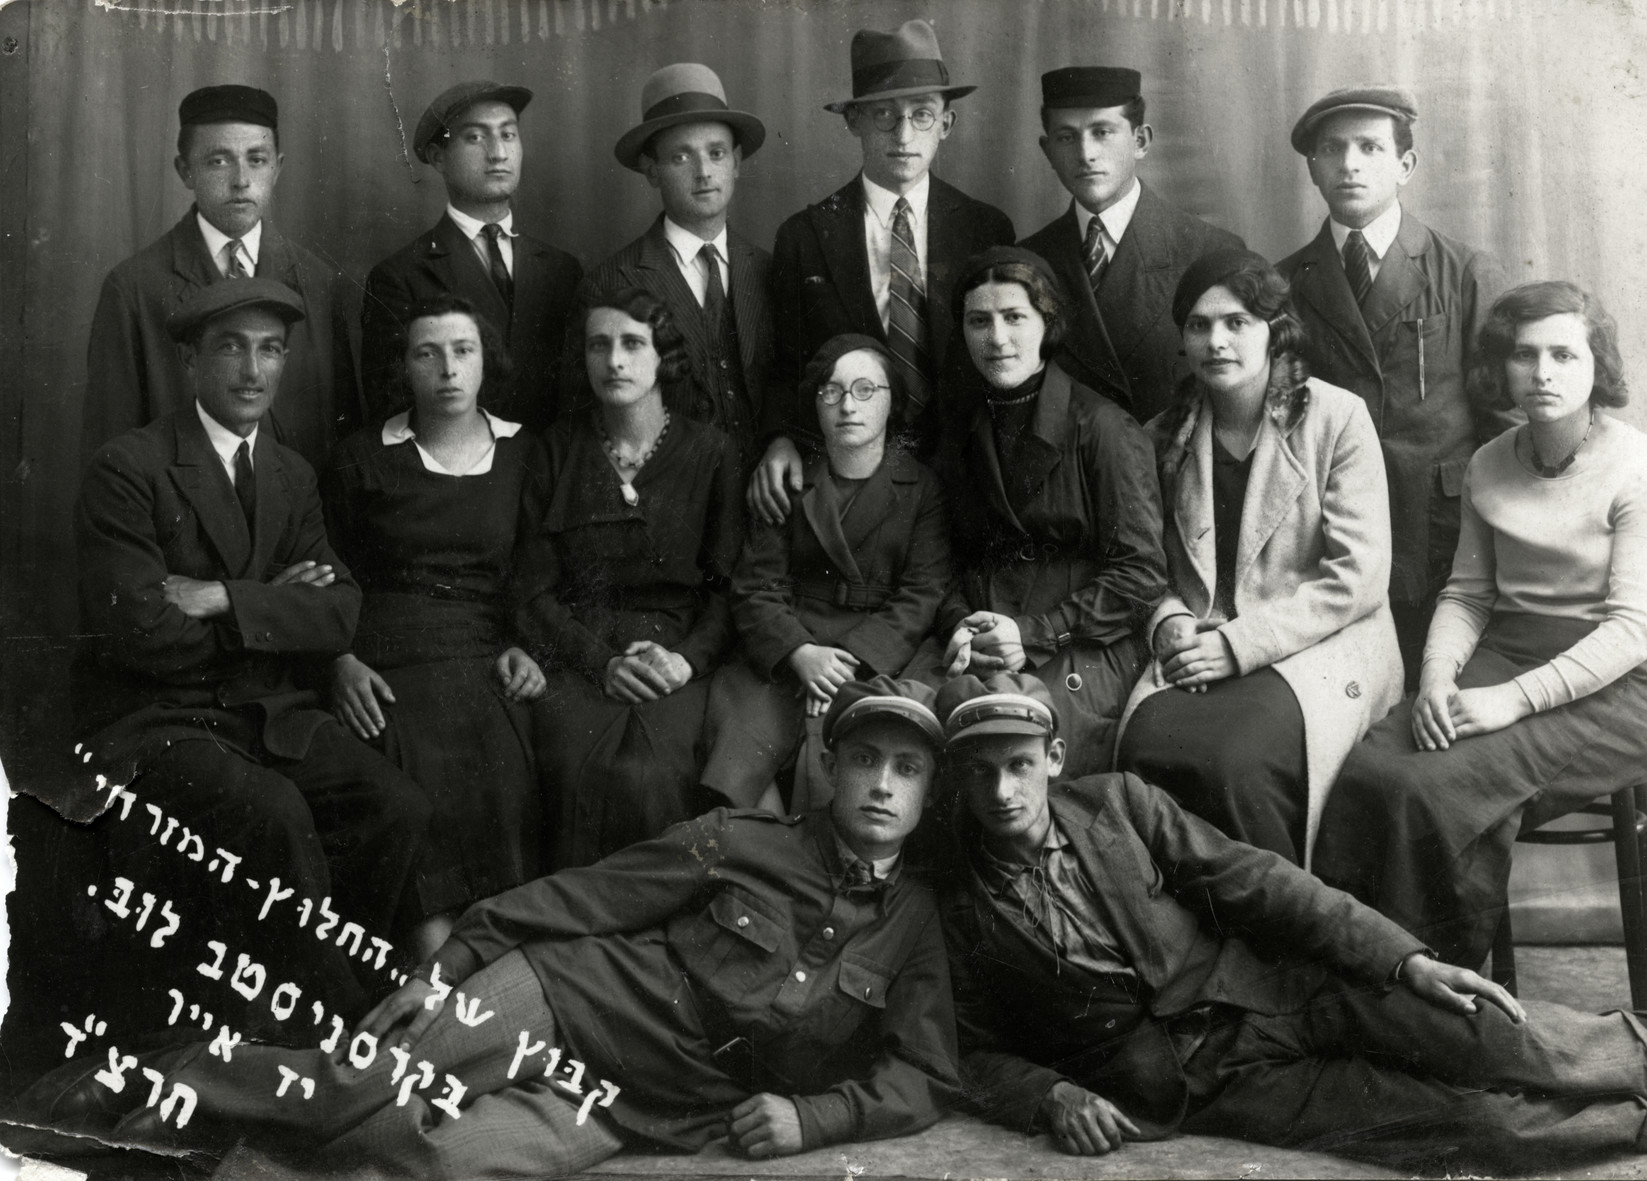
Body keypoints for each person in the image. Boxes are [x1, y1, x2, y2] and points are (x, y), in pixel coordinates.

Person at [32, 678, 961, 1178]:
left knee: (428, 1159)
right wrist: (453, 967)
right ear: (828, 766)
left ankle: (205, 1157)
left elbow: (923, 1075)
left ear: (928, 791)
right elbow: (586, 896)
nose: (882, 784)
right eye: (866, 759)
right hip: (568, 996)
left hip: (644, 1106)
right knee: (358, 1090)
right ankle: (157, 1076)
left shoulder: (914, 923)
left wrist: (814, 1116)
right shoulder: (743, 840)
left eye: (907, 769)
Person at [937, 672, 1647, 1171]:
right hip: (1203, 1082)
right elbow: (966, 1046)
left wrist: (1403, 958)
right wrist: (1047, 1093)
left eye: (1018, 765)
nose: (1004, 792)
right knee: (1470, 1125)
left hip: (1276, 990)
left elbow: (1260, 881)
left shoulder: (1118, 804)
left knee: (1480, 1031)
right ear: (959, 781)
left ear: (1053, 759)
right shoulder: (953, 900)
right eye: (980, 775)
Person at [71, 279, 429, 1026]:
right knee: (274, 815)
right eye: (230, 347)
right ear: (190, 364)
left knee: (391, 804)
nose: (252, 370)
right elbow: (140, 632)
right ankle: (329, 1027)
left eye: (270, 350)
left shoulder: (291, 472)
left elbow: (339, 609)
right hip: (157, 721)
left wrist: (223, 596)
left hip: (265, 710)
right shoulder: (130, 467)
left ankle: (322, 1000)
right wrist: (270, 602)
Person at [1312, 280, 1647, 970]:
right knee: (1372, 770)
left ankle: (1439, 993)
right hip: (1509, 649)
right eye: (1524, 354)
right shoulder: (1490, 462)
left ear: (1597, 366)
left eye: (1564, 356)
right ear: (1501, 366)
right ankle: (1367, 982)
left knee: (1435, 788)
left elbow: (1632, 632)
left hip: (1622, 684)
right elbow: (1468, 594)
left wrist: (1507, 700)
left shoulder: (1643, 468)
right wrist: (1435, 678)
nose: (1542, 373)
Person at [1114, 249, 1401, 865]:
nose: (1216, 341)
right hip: (1200, 639)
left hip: (1320, 640)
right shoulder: (1162, 436)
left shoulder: (1334, 417)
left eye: (1237, 322)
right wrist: (1170, 622)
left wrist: (1239, 646)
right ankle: (1180, 938)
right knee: (1143, 748)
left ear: (1275, 329)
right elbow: (1145, 569)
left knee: (1235, 760)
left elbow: (1359, 578)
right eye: (1198, 325)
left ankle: (1277, 938)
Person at [323, 295, 546, 964]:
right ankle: (433, 980)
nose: (448, 368)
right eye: (428, 353)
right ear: (404, 367)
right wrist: (338, 660)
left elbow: (538, 574)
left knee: (506, 771)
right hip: (386, 660)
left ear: (486, 361)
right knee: (412, 777)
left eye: (463, 350)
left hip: (483, 654)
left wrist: (525, 649)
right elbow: (328, 573)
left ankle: (494, 983)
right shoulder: (364, 457)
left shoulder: (524, 452)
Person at [1278, 85, 1516, 687]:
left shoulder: (1462, 271)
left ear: (1404, 166)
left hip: (1439, 534)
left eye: (1369, 147)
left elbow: (1502, 420)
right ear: (1313, 168)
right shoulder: (1282, 285)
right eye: (1332, 149)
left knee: (1431, 699)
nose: (1350, 163)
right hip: (1329, 533)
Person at [515, 287, 743, 867]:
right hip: (580, 652)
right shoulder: (555, 450)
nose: (614, 361)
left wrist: (685, 659)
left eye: (631, 344)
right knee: (568, 764)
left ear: (663, 356)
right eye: (599, 345)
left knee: (658, 770)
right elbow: (532, 592)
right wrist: (601, 663)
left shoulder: (712, 453)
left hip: (676, 655)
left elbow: (727, 590)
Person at [754, 19, 1015, 523]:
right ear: (852, 119)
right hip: (849, 480)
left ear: (947, 124)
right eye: (883, 115)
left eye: (921, 115)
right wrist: (779, 436)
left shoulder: (986, 228)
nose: (902, 135)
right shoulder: (805, 235)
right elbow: (787, 364)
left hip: (968, 476)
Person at [927, 246, 1166, 778]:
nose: (997, 338)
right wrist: (958, 629)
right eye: (978, 321)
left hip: (1081, 641)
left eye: (1015, 317)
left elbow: (1141, 575)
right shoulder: (961, 427)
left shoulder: (1103, 427)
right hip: (985, 636)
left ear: (1047, 322)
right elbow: (940, 559)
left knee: (1019, 748)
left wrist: (1036, 634)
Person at [705, 335, 952, 812]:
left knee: (851, 752)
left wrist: (845, 662)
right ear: (814, 406)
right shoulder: (790, 479)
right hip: (792, 644)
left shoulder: (921, 487)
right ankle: (765, 855)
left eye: (865, 390)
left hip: (879, 652)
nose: (846, 406)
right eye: (831, 392)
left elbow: (922, 593)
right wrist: (800, 653)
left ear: (892, 404)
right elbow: (756, 587)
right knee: (744, 745)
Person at [83, 85, 357, 469]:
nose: (241, 180)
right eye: (218, 161)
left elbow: (345, 440)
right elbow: (111, 456)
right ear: (185, 171)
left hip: (297, 520)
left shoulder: (320, 282)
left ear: (277, 168)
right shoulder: (134, 288)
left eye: (257, 160)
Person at [1020, 67, 1244, 424]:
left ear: (1140, 141)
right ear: (1047, 151)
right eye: (1066, 137)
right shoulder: (1028, 260)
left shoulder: (1210, 252)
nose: (1086, 154)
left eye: (1103, 132)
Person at [573, 64, 772, 458]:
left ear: (735, 163)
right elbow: (587, 424)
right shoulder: (610, 283)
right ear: (652, 171)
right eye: (681, 157)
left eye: (716, 154)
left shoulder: (770, 269)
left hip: (766, 500)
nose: (703, 173)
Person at [361, 81, 582, 431]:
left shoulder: (563, 269)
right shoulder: (400, 276)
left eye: (508, 135)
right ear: (438, 158)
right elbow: (395, 411)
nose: (498, 153)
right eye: (475, 138)